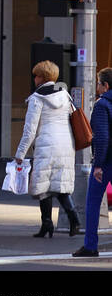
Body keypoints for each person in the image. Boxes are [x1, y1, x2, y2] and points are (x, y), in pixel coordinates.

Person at [13, 60, 78, 238]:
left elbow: (30, 130)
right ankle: (74, 220)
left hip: (46, 145)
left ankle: (47, 225)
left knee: (43, 187)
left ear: (41, 77)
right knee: (60, 185)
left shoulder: (37, 98)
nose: (34, 78)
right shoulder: (65, 95)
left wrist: (20, 154)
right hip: (65, 145)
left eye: (36, 75)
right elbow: (73, 118)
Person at [74, 67, 112, 256]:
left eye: (99, 83)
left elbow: (102, 137)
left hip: (106, 162)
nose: (97, 87)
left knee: (93, 203)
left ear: (106, 86)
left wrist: (97, 164)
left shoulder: (102, 105)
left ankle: (90, 245)